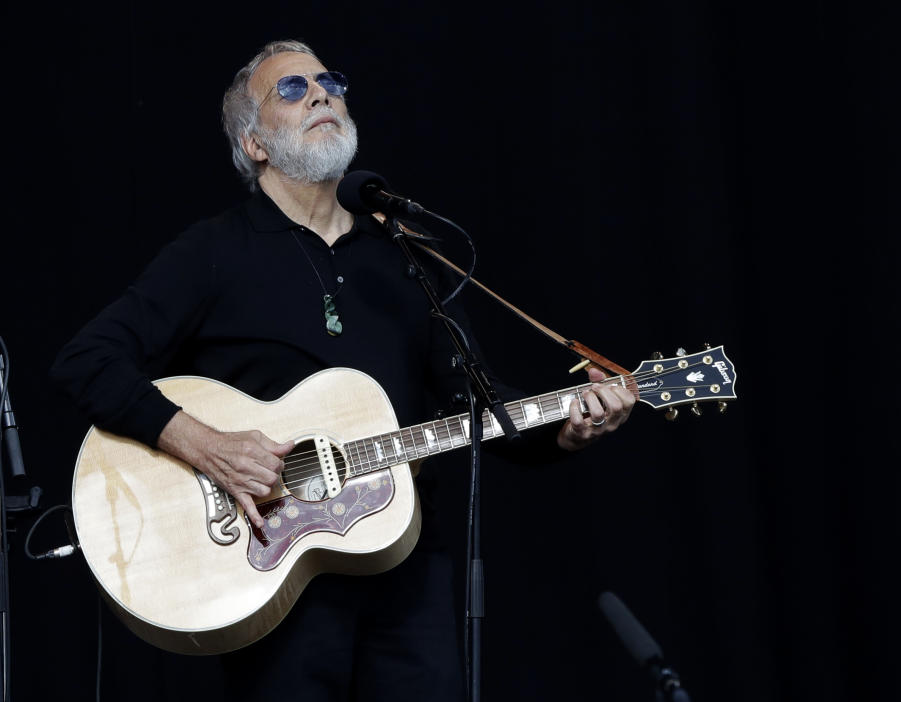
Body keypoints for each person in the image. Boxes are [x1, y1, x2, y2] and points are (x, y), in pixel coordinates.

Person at [51, 39, 635, 701]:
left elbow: (474, 403)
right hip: (271, 571)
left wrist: (565, 429)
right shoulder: (213, 253)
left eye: (328, 81)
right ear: (255, 145)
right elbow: (85, 361)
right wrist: (208, 446)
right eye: (292, 90)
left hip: (406, 575)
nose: (322, 92)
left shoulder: (403, 256)